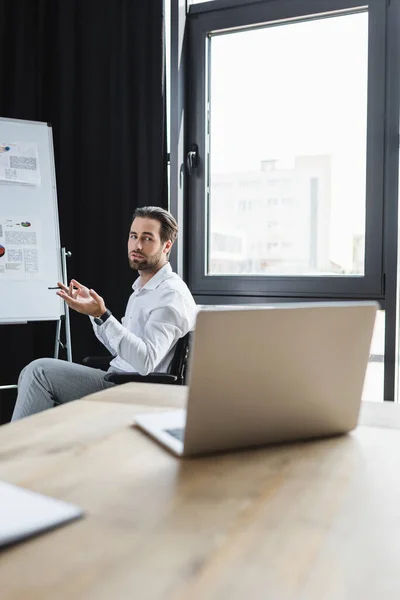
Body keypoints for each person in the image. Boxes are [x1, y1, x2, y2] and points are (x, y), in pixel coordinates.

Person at [12, 206, 197, 420]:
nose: (136, 245)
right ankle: (35, 449)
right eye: (133, 236)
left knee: (39, 373)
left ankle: (11, 452)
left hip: (133, 389)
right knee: (28, 374)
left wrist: (104, 316)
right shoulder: (143, 289)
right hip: (119, 377)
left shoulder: (170, 295)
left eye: (147, 239)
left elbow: (145, 362)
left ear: (166, 246)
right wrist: (96, 314)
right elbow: (123, 350)